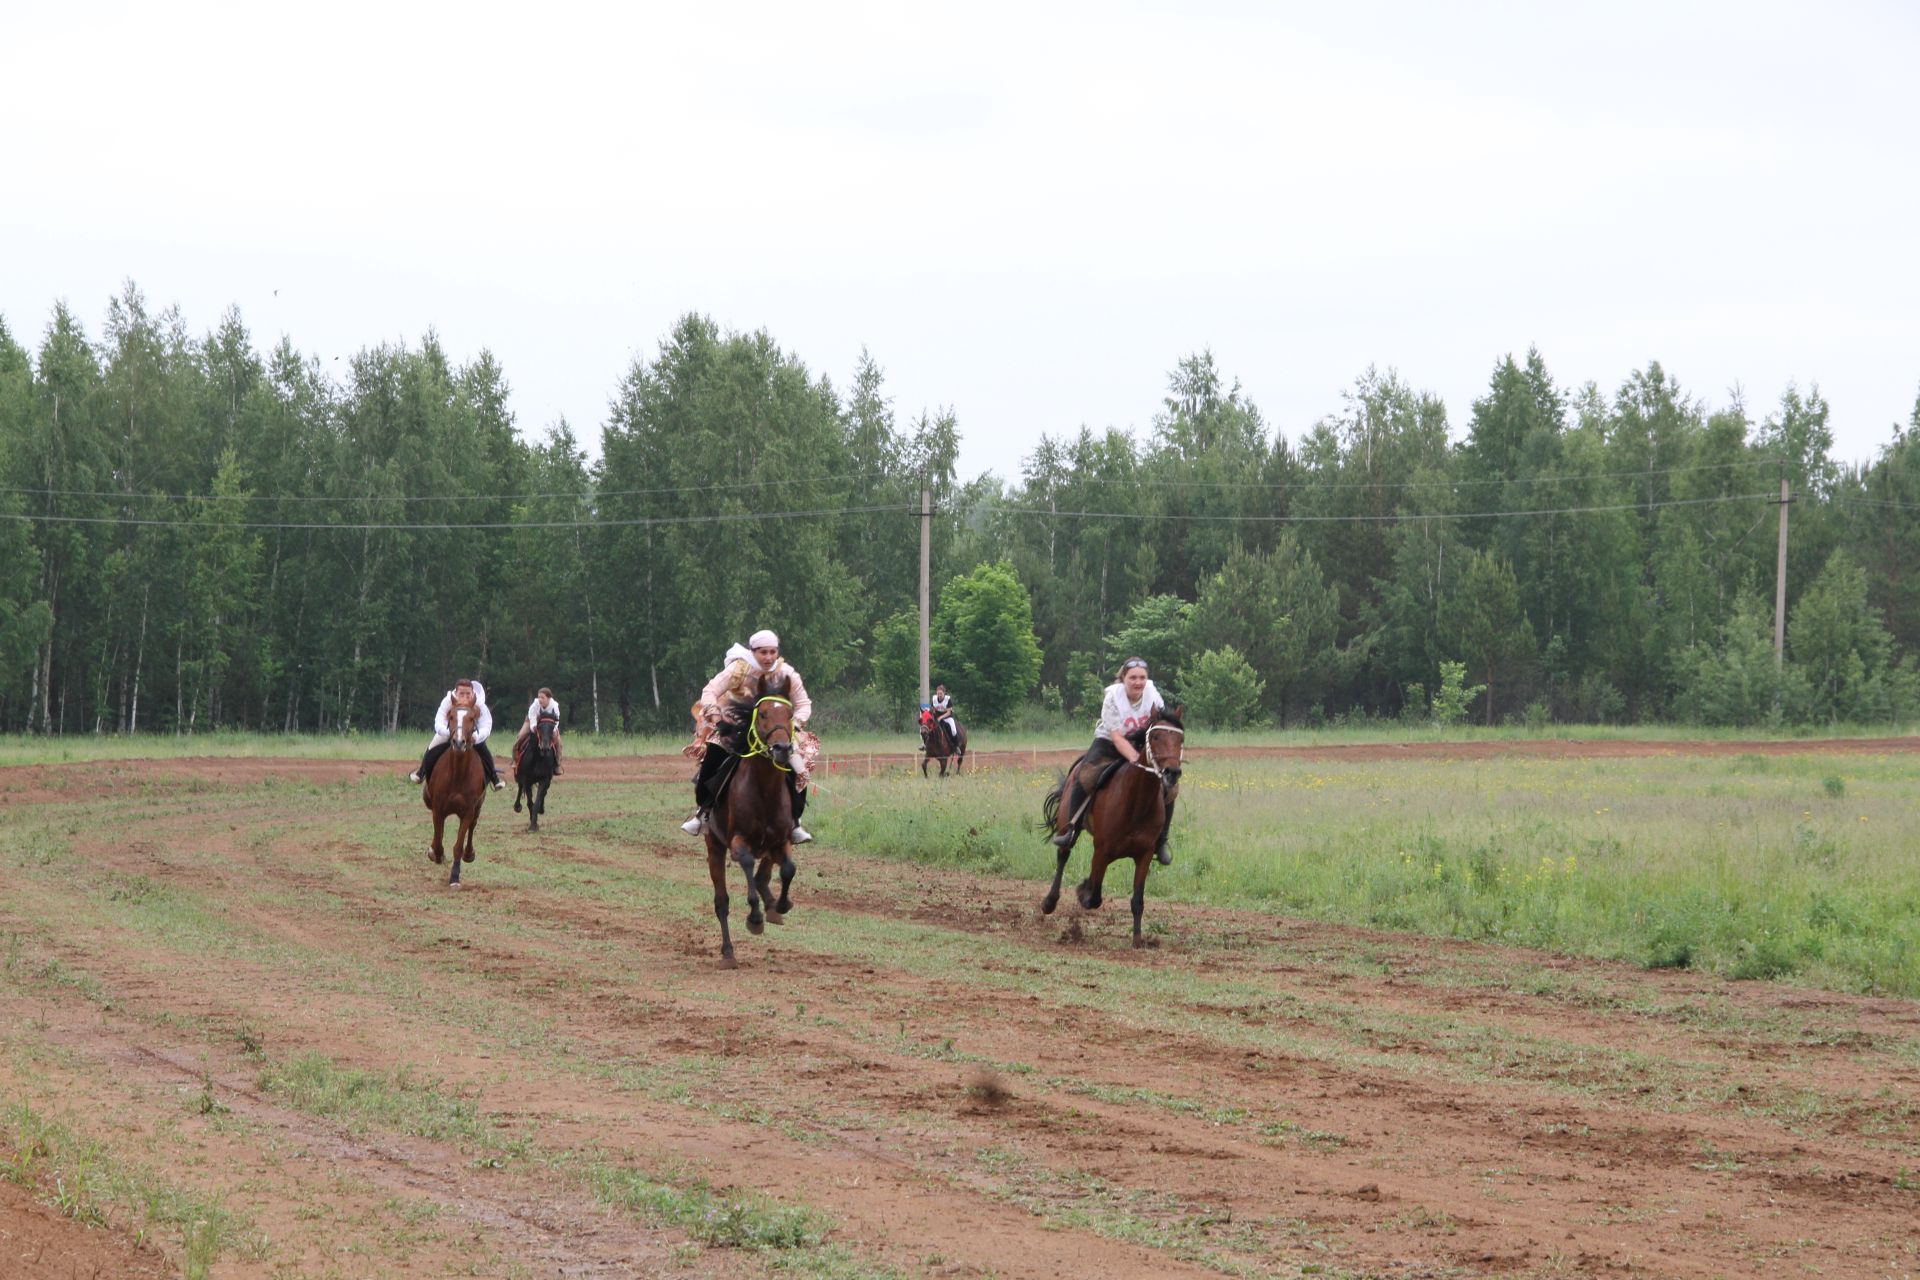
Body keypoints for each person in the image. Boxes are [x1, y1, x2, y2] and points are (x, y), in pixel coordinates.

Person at [680, 630, 820, 843]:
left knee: (798, 768)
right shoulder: (738, 669)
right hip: (734, 727)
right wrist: (718, 719)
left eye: (773, 652)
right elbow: (710, 691)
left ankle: (795, 822)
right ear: (753, 652)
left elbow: (803, 704)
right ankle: (703, 813)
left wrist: (794, 724)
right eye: (763, 652)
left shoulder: (787, 673)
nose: (768, 657)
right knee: (713, 758)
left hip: (772, 730)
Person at [1051, 657, 1177, 865]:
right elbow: (1117, 737)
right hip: (1109, 742)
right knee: (1086, 776)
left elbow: (1161, 726)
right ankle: (1072, 828)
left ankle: (1161, 841)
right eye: (1133, 677)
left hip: (1139, 741)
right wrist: (1136, 760)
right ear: (1123, 678)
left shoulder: (1153, 695)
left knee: (1170, 787)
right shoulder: (1112, 697)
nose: (1138, 682)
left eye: (1142, 678)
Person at [408, 678, 506, 791]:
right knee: (433, 747)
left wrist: (476, 737)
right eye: (461, 693)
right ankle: (421, 772)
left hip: (471, 735)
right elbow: (439, 721)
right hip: (449, 732)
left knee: (485, 752)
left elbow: (486, 726)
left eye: (468, 693)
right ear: (456, 693)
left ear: (472, 692)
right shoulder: (447, 701)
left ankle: (494, 778)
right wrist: (449, 733)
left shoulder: (480, 704)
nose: (465, 696)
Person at [513, 687, 562, 776]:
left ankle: (557, 764)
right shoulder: (535, 705)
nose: (540, 699)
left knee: (558, 741)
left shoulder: (554, 706)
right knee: (520, 736)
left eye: (542, 697)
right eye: (539, 697)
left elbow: (556, 720)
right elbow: (532, 717)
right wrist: (533, 727)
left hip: (549, 725)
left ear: (548, 698)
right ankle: (515, 760)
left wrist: (553, 730)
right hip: (532, 722)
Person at [929, 683, 958, 748]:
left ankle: (956, 746)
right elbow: (932, 709)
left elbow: (948, 712)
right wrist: (933, 713)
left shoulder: (948, 700)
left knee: (953, 731)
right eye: (938, 693)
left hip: (947, 717)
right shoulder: (934, 699)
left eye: (941, 693)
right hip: (937, 717)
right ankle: (925, 744)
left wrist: (940, 718)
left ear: (944, 693)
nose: (939, 695)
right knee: (928, 728)